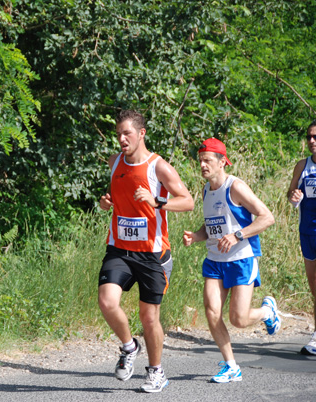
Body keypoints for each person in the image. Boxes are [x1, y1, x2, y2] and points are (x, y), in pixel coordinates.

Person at [98, 110, 194, 393]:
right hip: (119, 248)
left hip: (152, 253)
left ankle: (156, 372)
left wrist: (157, 202)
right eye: (118, 134)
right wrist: (106, 202)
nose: (121, 139)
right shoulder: (115, 161)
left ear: (142, 134)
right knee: (107, 301)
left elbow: (187, 201)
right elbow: (115, 195)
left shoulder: (158, 167)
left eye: (127, 133)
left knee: (149, 317)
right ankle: (129, 347)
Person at [183, 138, 280, 383]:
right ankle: (231, 366)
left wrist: (238, 235)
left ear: (222, 161)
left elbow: (267, 217)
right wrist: (196, 236)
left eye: (207, 160)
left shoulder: (234, 187)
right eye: (200, 160)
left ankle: (267, 312)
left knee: (239, 319)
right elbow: (212, 225)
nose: (203, 165)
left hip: (242, 258)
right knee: (212, 311)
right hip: (215, 259)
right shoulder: (206, 190)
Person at [287, 120, 316, 356]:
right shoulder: (302, 165)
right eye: (309, 137)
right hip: (307, 232)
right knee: (313, 287)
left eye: (315, 137)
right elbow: (290, 194)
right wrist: (294, 194)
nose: (311, 141)